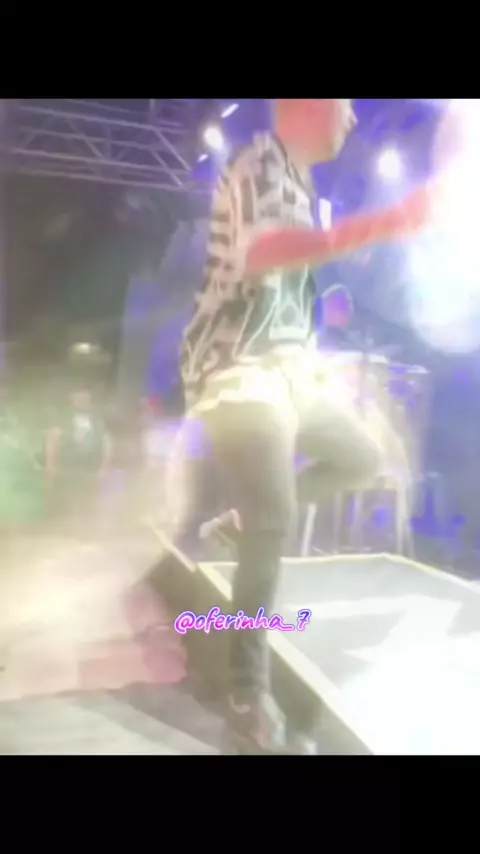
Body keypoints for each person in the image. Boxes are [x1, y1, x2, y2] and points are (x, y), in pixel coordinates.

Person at [180, 99, 435, 754]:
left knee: (362, 458)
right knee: (275, 516)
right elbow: (267, 253)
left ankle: (242, 523)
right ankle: (246, 690)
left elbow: (294, 272)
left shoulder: (299, 182)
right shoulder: (259, 161)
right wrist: (383, 222)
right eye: (344, 107)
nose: (352, 121)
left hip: (287, 371)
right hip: (235, 367)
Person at [45, 389, 112, 534]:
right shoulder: (63, 418)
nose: (82, 400)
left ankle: (88, 531)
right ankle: (71, 530)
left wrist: (104, 466)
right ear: (72, 398)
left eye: (85, 397)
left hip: (90, 465)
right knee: (71, 498)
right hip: (69, 465)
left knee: (89, 498)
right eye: (78, 397)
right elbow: (52, 440)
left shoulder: (97, 420)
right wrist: (51, 465)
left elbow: (107, 442)